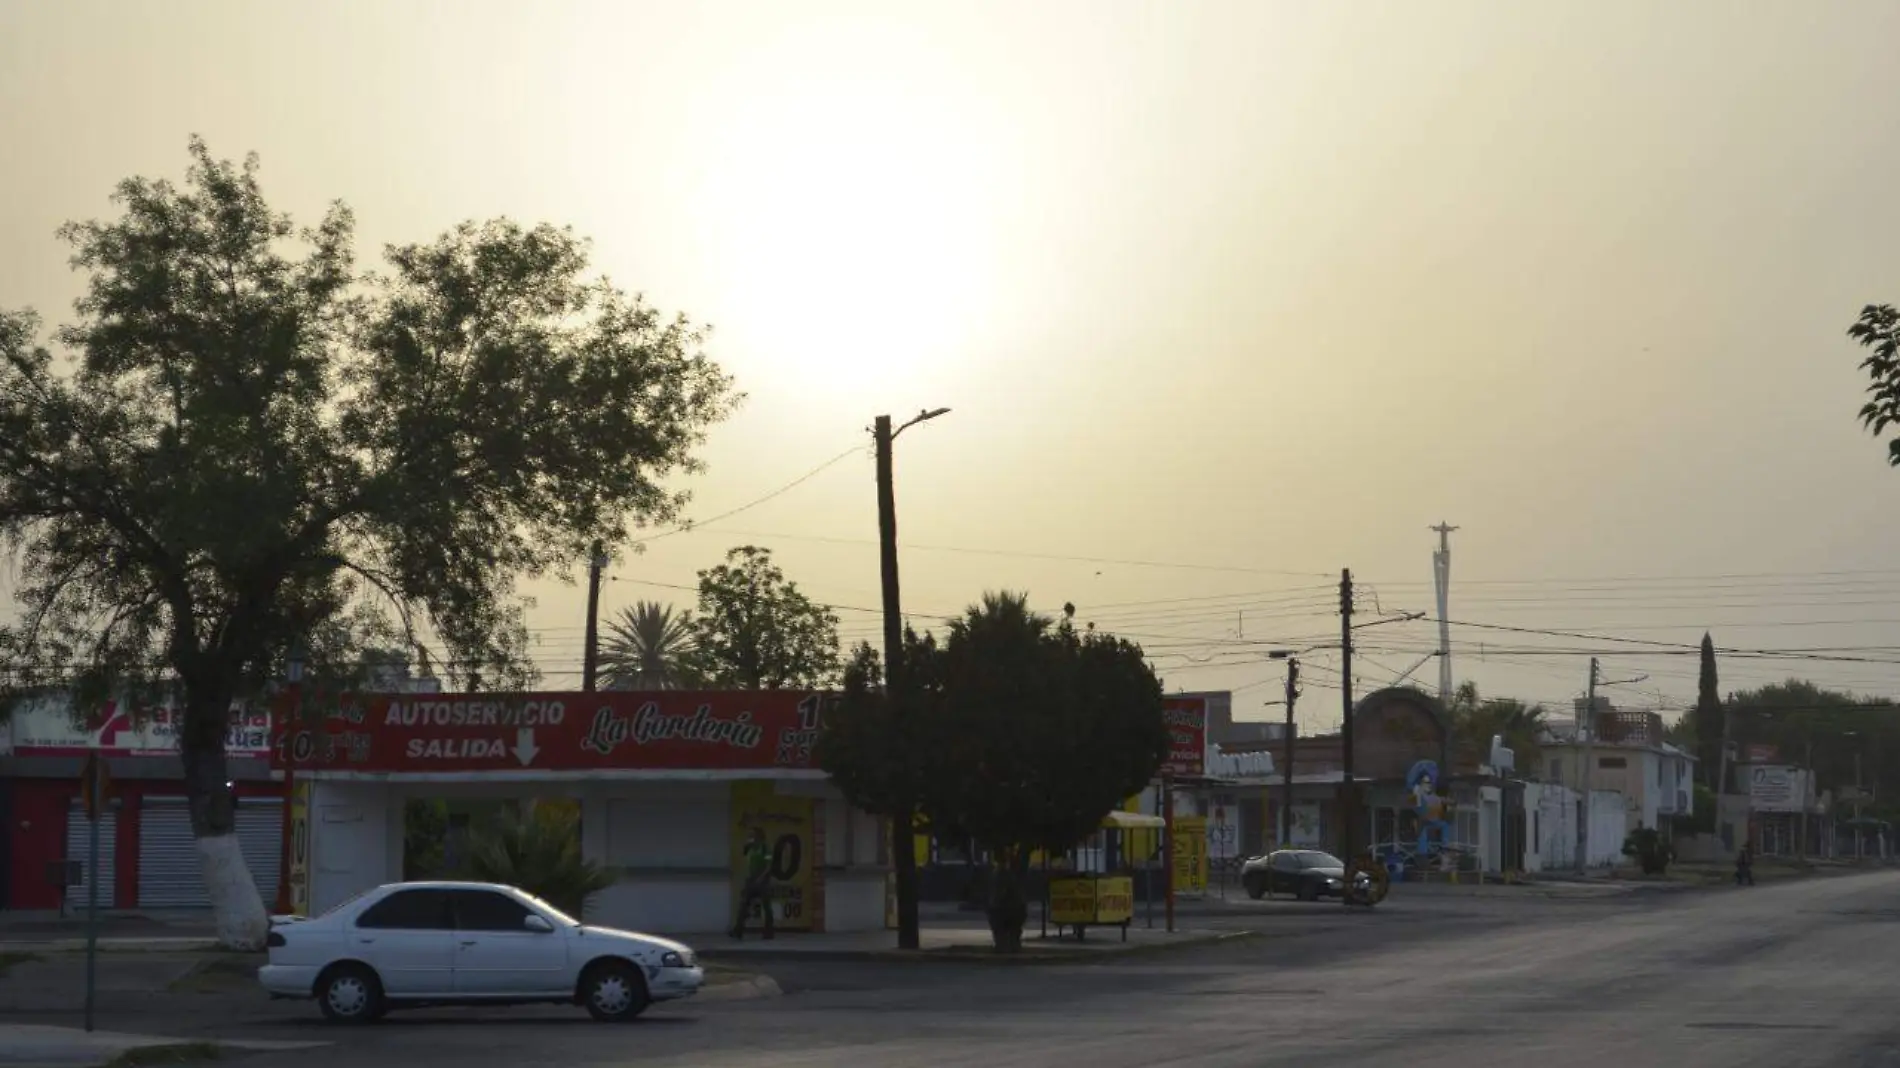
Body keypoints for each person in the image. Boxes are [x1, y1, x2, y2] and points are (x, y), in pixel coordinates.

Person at [730, 828, 775, 940]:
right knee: (744, 905)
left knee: (766, 906)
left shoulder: (765, 848)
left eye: (753, 836)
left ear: (759, 837)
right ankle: (738, 930)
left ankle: (768, 932)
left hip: (762, 881)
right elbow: (746, 861)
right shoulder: (749, 848)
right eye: (750, 836)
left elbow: (769, 866)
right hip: (751, 880)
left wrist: (761, 877)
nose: (751, 838)